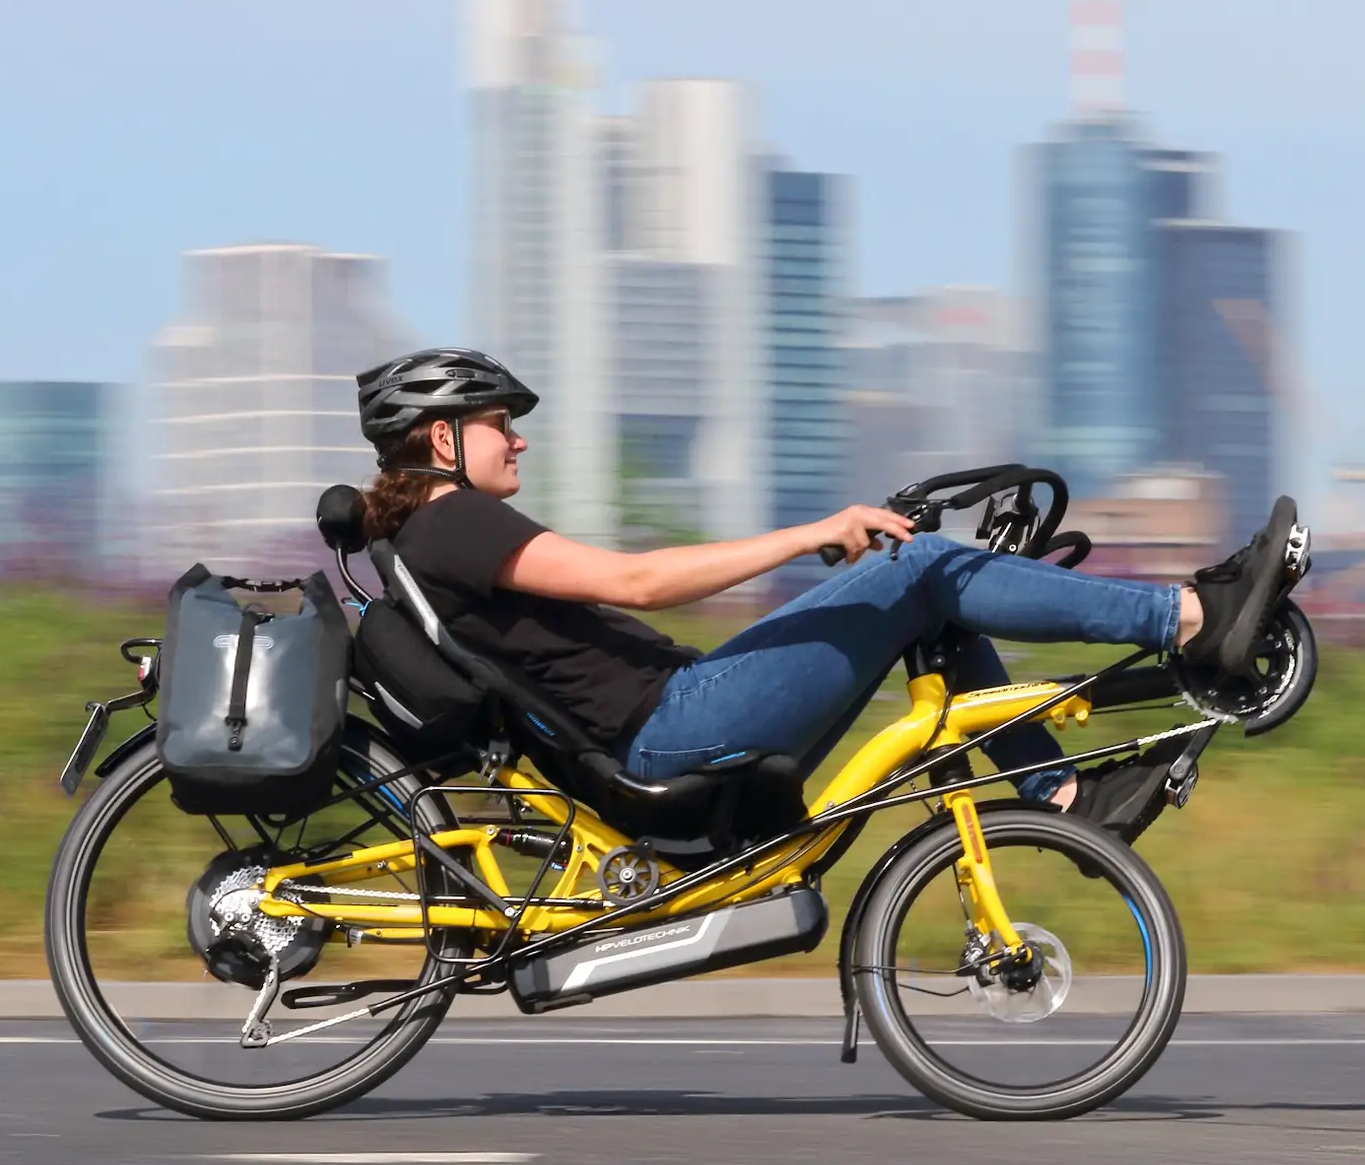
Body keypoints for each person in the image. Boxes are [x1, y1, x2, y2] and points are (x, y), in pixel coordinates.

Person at [354, 348, 1301, 835]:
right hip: (669, 727)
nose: (516, 440)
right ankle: (1193, 620)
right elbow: (636, 583)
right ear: (442, 440)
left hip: (679, 705)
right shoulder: (457, 521)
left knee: (925, 595)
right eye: (497, 425)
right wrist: (812, 531)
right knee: (921, 564)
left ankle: (1056, 796)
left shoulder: (431, 529)